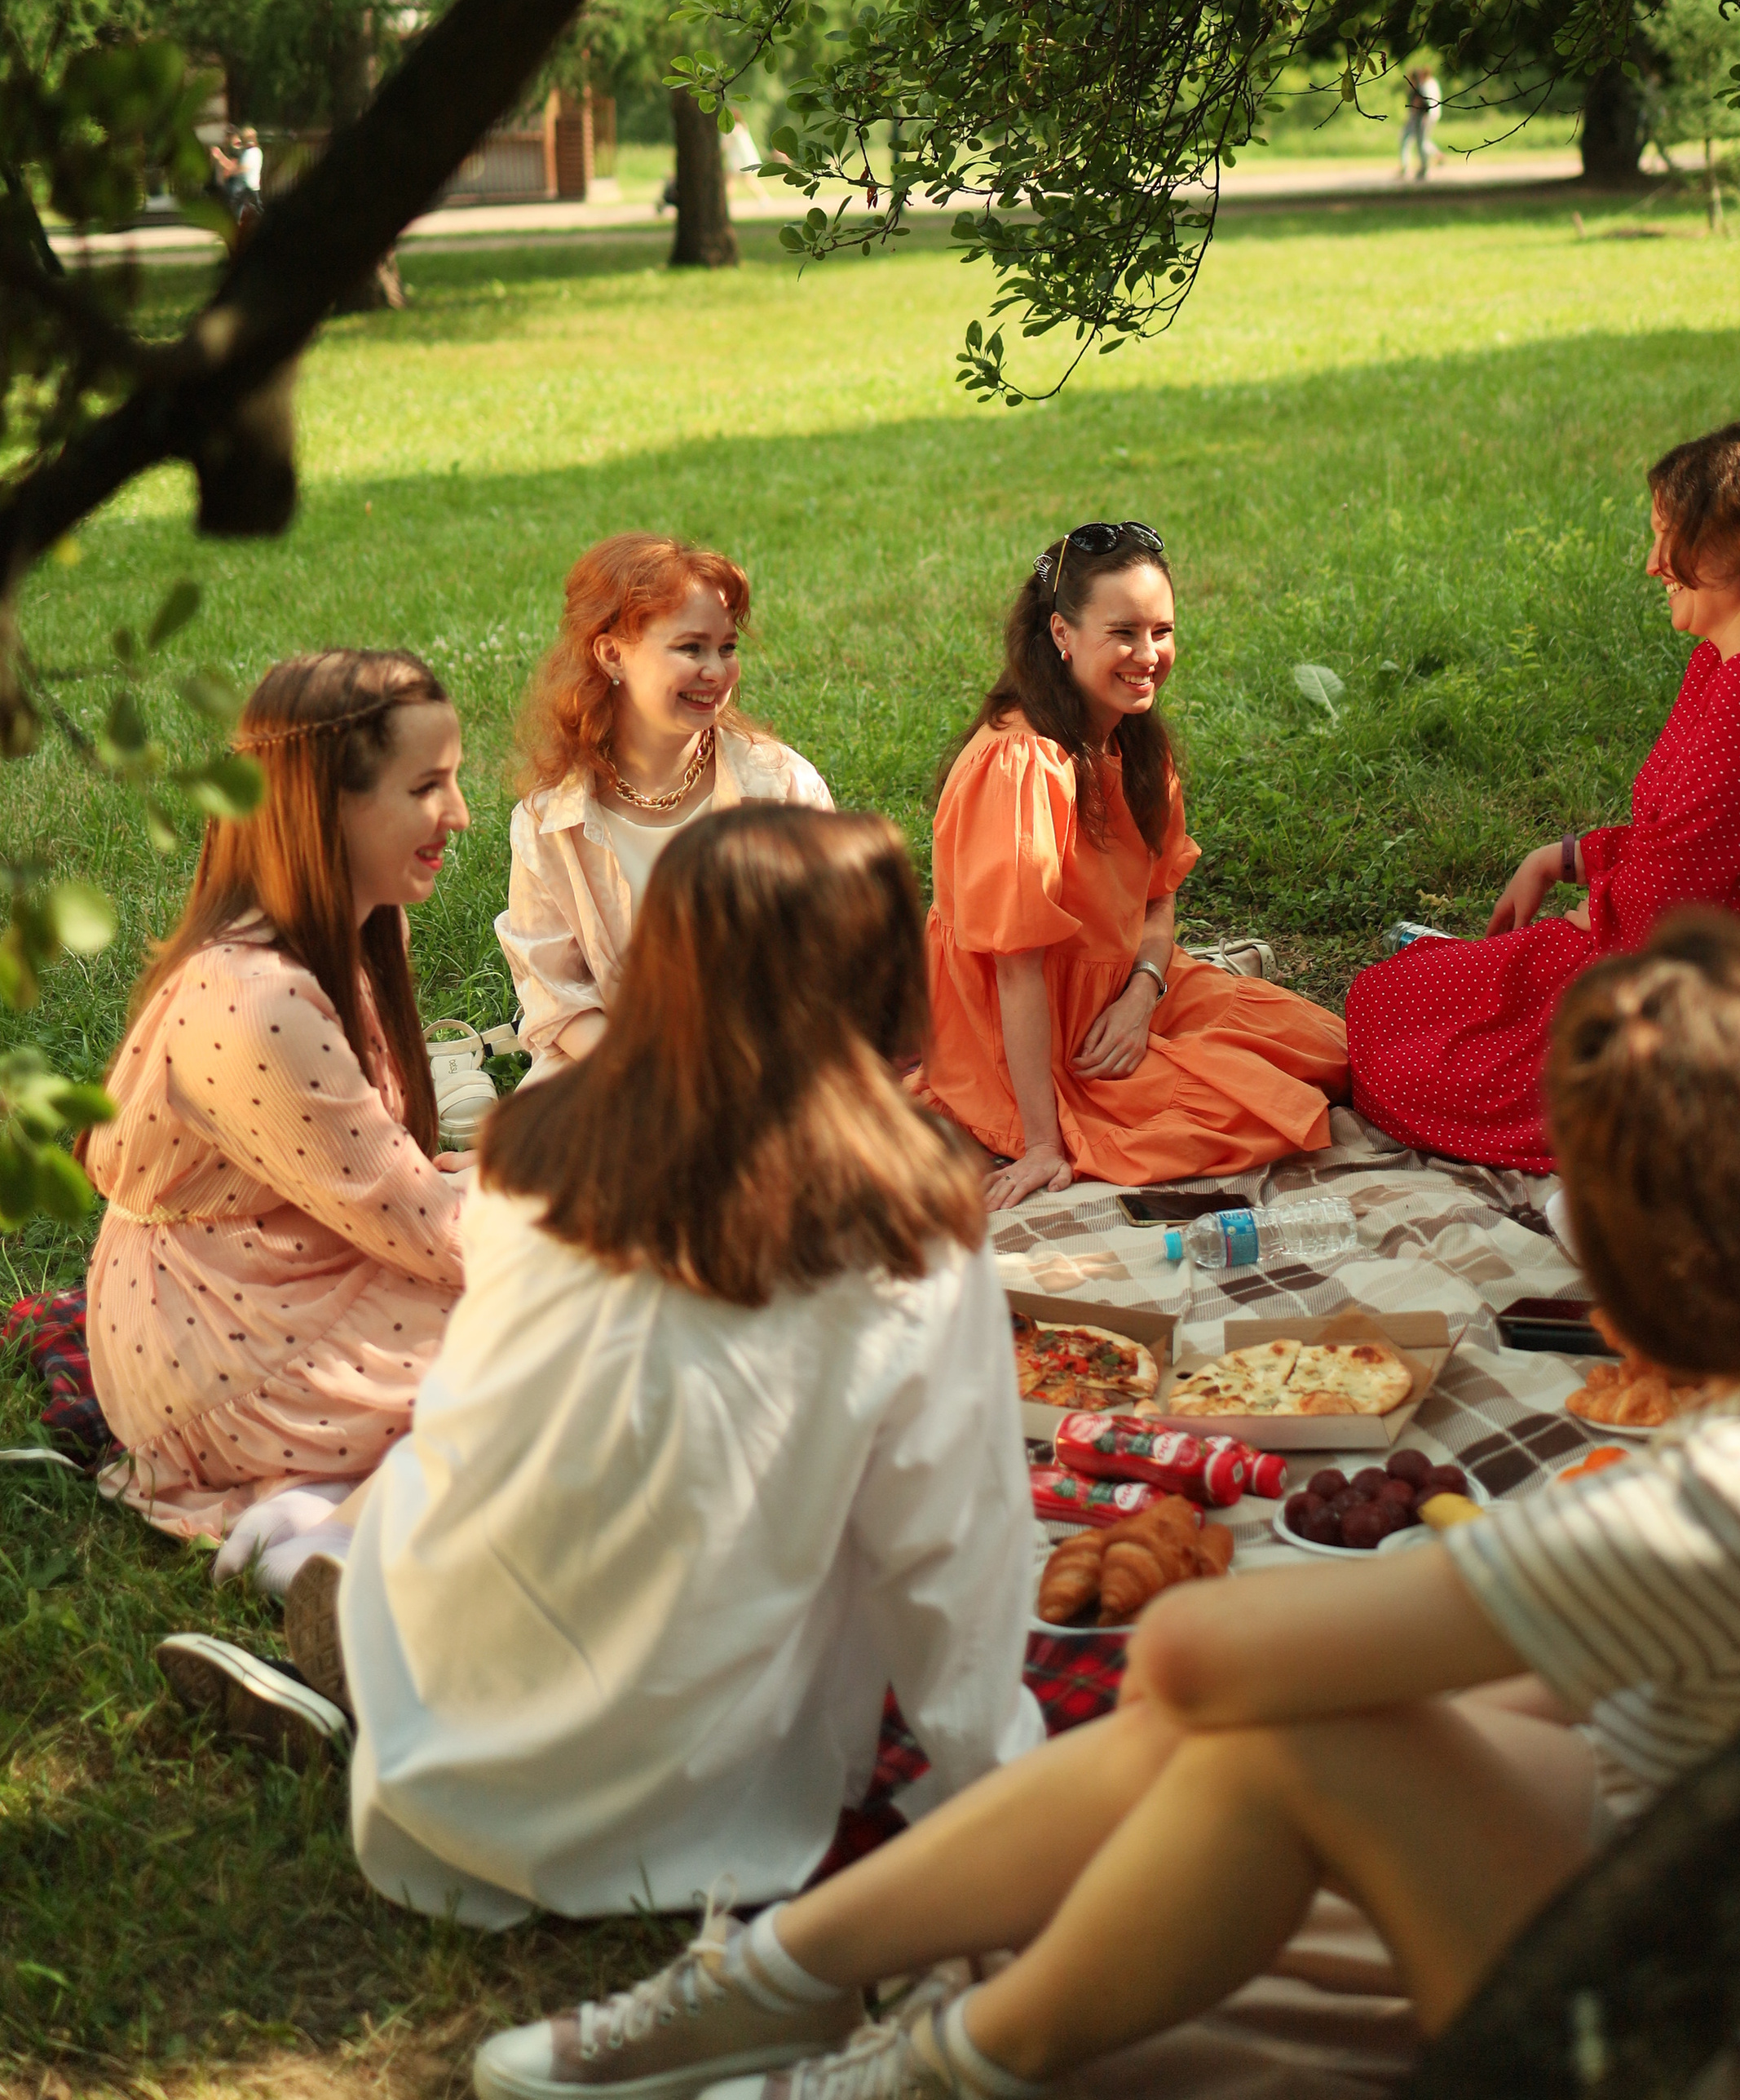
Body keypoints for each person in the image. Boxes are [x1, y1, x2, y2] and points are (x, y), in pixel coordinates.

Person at [474, 912, 1740, 2100]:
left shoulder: (1717, 1501)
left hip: (1703, 2045)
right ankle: (783, 1993)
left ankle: (899, 2059)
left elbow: (1197, 1663)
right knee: (1284, 1725)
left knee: (1277, 1725)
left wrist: (1303, 1627)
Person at [332, 807, 1040, 1926]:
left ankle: (358, 1631)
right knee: (848, 1504)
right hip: (712, 1802)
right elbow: (956, 1546)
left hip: (441, 1703)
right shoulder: (903, 1230)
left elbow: (481, 1409)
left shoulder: (530, 1146)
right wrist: (996, 1776)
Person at [1347, 420, 1740, 1169]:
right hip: (1679, 949)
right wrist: (1564, 857)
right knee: (1389, 999)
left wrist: (1584, 918)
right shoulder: (1729, 661)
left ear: (1735, 546)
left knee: (1411, 1053)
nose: (1653, 564)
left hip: (1729, 995)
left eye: (1668, 539)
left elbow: (1664, 898)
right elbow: (1680, 838)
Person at [83, 650, 470, 1542]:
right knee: (576, 1318)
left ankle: (302, 1521)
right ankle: (317, 1533)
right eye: (427, 787)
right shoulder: (252, 1001)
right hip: (226, 1349)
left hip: (300, 1267)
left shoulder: (364, 923)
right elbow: (433, 1230)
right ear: (324, 803)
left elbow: (389, 1179)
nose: (458, 814)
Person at [923, 523, 1347, 1207]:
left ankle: (1198, 991)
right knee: (1254, 1113)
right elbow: (1017, 967)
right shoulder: (1023, 763)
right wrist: (1040, 1143)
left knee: (1328, 1050)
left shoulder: (1135, 738)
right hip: (1036, 1033)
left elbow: (1158, 898)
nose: (1148, 655)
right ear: (1062, 633)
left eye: (1162, 630)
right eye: (1123, 632)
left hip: (1131, 983)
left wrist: (1141, 996)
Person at [497, 534, 832, 1080]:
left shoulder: (782, 787)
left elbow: (828, 962)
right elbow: (557, 998)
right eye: (691, 647)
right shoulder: (549, 821)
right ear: (611, 655)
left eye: (727, 647)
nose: (717, 672)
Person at [1399, 64, 1442, 181]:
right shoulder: (1422, 87)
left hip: (1421, 118)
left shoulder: (1419, 89)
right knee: (1420, 142)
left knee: (1420, 142)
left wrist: (1412, 117)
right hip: (1421, 117)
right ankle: (1425, 165)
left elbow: (1420, 105)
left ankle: (1424, 168)